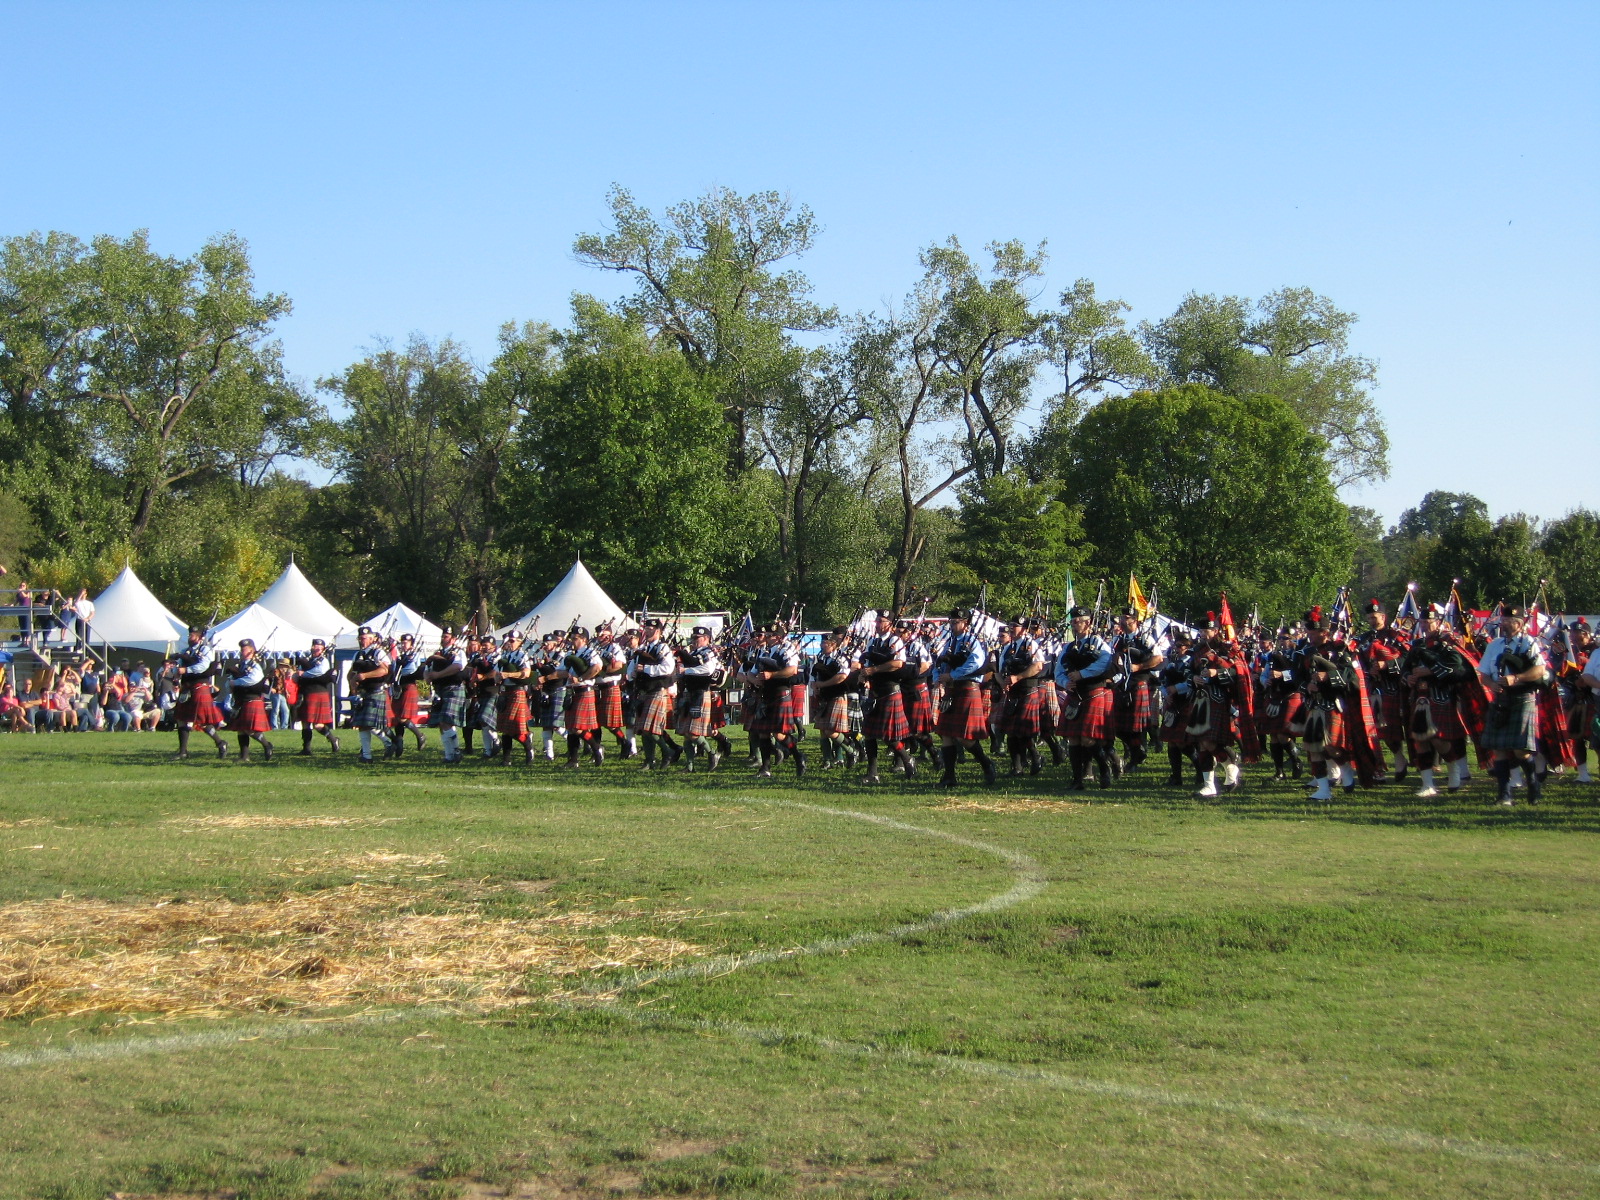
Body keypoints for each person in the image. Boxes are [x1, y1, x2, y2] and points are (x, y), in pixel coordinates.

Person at [1478, 606, 1549, 805]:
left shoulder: (1529, 643)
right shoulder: (1494, 645)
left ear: (1518, 623)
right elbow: (1483, 674)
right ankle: (1504, 795)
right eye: (1502, 619)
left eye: (1507, 620)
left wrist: (1516, 678)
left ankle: (1533, 784)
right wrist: (1491, 684)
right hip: (1501, 699)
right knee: (1499, 748)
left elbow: (1540, 670)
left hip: (1522, 697)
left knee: (1520, 750)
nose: (1502, 623)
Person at [1054, 606, 1116, 790]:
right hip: (1074, 694)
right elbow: (1059, 670)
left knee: (1088, 739)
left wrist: (1082, 674)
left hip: (1092, 693)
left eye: (1078, 621)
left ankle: (1104, 770)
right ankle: (1077, 780)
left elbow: (1105, 663)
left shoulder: (1098, 643)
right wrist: (1065, 682)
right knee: (1073, 738)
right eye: (1073, 622)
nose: (1075, 625)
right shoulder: (1068, 647)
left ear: (1088, 623)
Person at [934, 608, 996, 786]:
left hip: (967, 688)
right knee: (946, 734)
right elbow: (941, 662)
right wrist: (939, 677)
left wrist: (953, 675)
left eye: (956, 622)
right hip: (951, 690)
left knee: (964, 737)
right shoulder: (950, 642)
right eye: (951, 622)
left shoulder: (972, 642)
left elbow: (976, 662)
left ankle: (986, 763)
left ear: (966, 624)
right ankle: (949, 776)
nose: (953, 625)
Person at [1355, 599, 1411, 782]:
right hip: (1370, 687)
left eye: (1375, 617)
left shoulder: (1396, 637)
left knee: (1390, 729)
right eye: (1370, 617)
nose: (1372, 620)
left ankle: (1399, 758)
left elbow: (1408, 659)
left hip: (1392, 686)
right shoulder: (1363, 639)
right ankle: (1377, 768)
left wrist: (1387, 665)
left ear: (1383, 617)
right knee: (1371, 730)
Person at [859, 612, 912, 783]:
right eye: (877, 621)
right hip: (875, 691)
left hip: (890, 690)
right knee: (869, 734)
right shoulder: (872, 642)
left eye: (881, 621)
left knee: (889, 736)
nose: (877, 624)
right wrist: (864, 675)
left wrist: (875, 670)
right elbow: (867, 663)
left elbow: (898, 663)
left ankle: (907, 760)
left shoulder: (895, 641)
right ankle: (872, 773)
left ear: (889, 624)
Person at [1110, 608, 1165, 771]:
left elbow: (1158, 658)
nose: (1123, 621)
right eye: (1122, 618)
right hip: (1121, 684)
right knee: (1118, 727)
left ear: (1135, 621)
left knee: (1135, 727)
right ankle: (1137, 751)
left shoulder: (1145, 638)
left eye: (1127, 618)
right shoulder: (1118, 640)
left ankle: (1136, 756)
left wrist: (1138, 667)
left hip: (1139, 683)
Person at [996, 615, 1045, 777]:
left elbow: (1038, 666)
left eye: (1015, 626)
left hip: (1027, 690)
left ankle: (1036, 756)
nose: (1011, 628)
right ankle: (1017, 768)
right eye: (1010, 625)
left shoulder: (1031, 644)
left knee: (1022, 731)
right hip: (1012, 692)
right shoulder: (1007, 648)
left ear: (1024, 629)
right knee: (1010, 731)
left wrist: (1018, 677)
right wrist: (1003, 683)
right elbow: (999, 671)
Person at [673, 625, 724, 771]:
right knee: (686, 733)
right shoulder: (693, 653)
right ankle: (689, 766)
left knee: (693, 733)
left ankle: (711, 753)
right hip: (689, 692)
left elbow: (708, 670)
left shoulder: (709, 652)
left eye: (697, 638)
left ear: (706, 639)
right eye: (693, 637)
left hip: (701, 693)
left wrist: (686, 670)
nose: (694, 640)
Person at [173, 627, 229, 759]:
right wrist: (176, 671)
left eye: (192, 635)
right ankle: (183, 752)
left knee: (201, 720)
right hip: (186, 687)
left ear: (199, 637)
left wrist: (186, 670)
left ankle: (220, 743)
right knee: (181, 719)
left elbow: (203, 666)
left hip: (199, 686)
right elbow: (178, 665)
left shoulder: (205, 650)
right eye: (189, 635)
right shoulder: (185, 651)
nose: (189, 637)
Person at [810, 627, 861, 770]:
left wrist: (822, 684)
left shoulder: (841, 658)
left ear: (833, 644)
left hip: (837, 695)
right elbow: (813, 675)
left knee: (831, 731)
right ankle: (827, 760)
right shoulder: (820, 658)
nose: (822, 645)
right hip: (824, 696)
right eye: (822, 643)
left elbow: (842, 677)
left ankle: (852, 750)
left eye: (825, 643)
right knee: (822, 729)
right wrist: (814, 686)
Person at [633, 619, 681, 769]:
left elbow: (667, 669)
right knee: (643, 729)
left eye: (651, 629)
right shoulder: (643, 648)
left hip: (658, 689)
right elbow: (634, 665)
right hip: (644, 690)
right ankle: (649, 760)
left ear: (658, 631)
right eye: (646, 629)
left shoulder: (663, 648)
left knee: (650, 729)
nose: (647, 631)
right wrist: (632, 672)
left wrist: (645, 669)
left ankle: (668, 752)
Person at [348, 625, 394, 764]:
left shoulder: (378, 653)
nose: (362, 641)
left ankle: (388, 743)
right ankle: (367, 756)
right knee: (362, 725)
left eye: (364, 638)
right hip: (363, 693)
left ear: (372, 638)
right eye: (360, 638)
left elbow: (384, 670)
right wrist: (353, 686)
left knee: (369, 724)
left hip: (376, 691)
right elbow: (351, 674)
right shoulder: (357, 655)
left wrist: (365, 676)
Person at [223, 638, 275, 761]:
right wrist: (230, 683)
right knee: (241, 730)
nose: (242, 651)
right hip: (241, 699)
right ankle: (244, 756)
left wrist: (235, 682)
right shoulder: (241, 665)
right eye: (241, 649)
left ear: (251, 651)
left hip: (252, 698)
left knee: (249, 730)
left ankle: (267, 745)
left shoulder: (255, 666)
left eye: (244, 649)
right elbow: (230, 682)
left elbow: (253, 679)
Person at [561, 626, 606, 767]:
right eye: (571, 639)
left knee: (577, 728)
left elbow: (597, 667)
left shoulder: (590, 652)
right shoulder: (569, 654)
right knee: (571, 728)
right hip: (572, 692)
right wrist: (547, 677)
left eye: (575, 639)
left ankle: (596, 747)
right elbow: (561, 670)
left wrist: (580, 679)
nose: (572, 641)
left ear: (584, 640)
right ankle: (573, 760)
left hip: (584, 691)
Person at [424, 626, 468, 764]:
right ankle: (449, 756)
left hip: (453, 688)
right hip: (440, 690)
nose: (443, 639)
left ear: (453, 639)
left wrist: (438, 674)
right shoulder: (436, 654)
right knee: (441, 724)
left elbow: (457, 667)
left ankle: (456, 751)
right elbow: (427, 668)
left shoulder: (458, 652)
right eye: (443, 636)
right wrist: (427, 676)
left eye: (446, 636)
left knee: (445, 721)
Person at [494, 629, 535, 765]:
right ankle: (506, 760)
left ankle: (528, 747)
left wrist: (509, 675)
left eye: (512, 641)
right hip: (505, 692)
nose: (509, 643)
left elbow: (526, 673)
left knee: (512, 727)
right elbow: (496, 673)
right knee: (505, 729)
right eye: (507, 641)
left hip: (517, 691)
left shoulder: (522, 655)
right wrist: (497, 677)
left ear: (520, 642)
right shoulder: (505, 655)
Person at [388, 633, 428, 757]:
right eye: (403, 642)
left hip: (409, 686)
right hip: (398, 687)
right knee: (397, 718)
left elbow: (413, 670)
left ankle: (420, 735)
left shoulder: (414, 655)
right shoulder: (401, 656)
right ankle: (399, 742)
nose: (404, 644)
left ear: (411, 644)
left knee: (403, 717)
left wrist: (403, 667)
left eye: (406, 642)